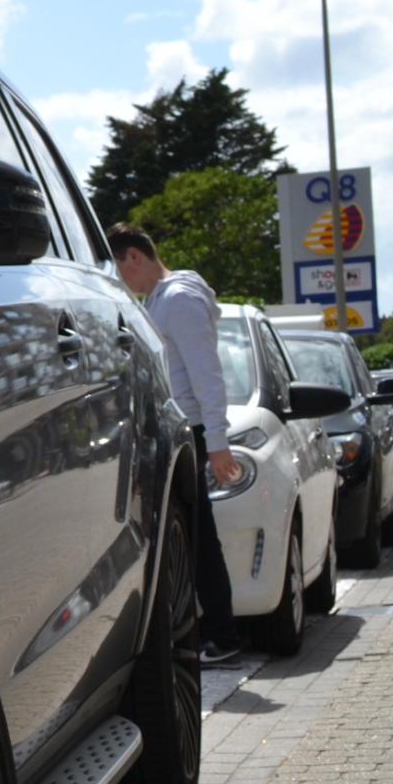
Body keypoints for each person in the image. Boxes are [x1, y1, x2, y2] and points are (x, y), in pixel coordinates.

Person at [108, 222, 246, 666]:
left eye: (118, 268)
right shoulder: (161, 300)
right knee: (190, 534)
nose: (119, 280)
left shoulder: (179, 300)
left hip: (194, 432)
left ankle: (222, 636)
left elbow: (206, 372)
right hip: (184, 431)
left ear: (133, 256)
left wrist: (219, 441)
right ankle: (212, 633)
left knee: (198, 536)